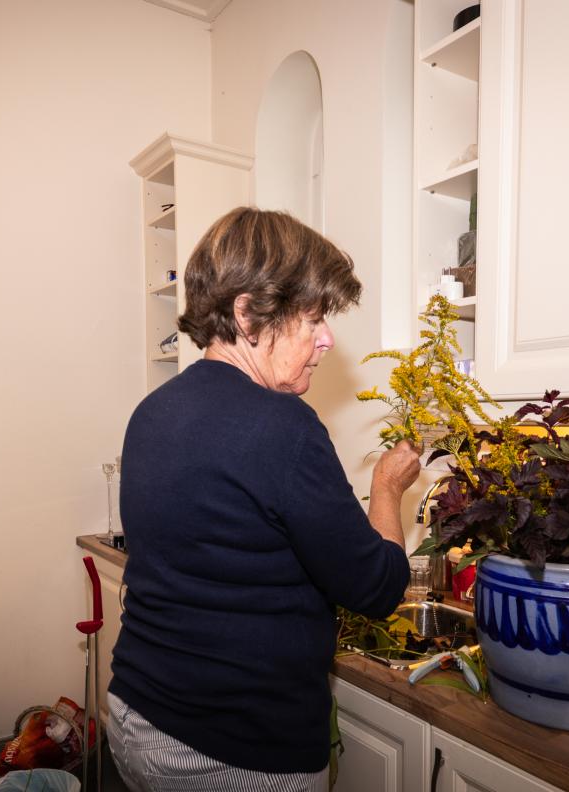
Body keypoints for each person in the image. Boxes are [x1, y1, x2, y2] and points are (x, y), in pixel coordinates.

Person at [107, 207, 421, 792]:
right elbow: (377, 588)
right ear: (247, 314)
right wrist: (386, 487)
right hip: (229, 750)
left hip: (135, 714)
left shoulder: (153, 410)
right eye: (312, 317)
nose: (327, 337)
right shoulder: (285, 428)